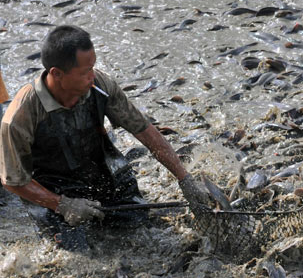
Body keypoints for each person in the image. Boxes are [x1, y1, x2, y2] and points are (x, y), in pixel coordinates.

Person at [0, 25, 214, 249]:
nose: (92, 77)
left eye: (93, 67)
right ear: (56, 74)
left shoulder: (101, 86)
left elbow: (144, 131)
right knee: (77, 249)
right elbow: (12, 180)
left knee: (139, 227)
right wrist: (62, 205)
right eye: (84, 72)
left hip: (100, 172)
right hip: (53, 187)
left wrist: (184, 178)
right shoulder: (20, 117)